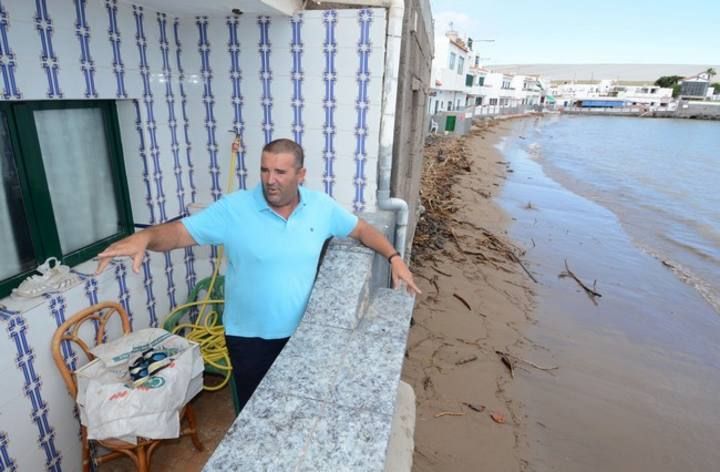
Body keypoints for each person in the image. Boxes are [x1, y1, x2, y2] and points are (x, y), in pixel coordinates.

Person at [96, 138, 420, 412]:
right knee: (255, 411)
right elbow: (180, 234)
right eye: (265, 170)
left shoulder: (321, 207)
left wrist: (394, 257)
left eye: (280, 171)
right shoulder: (234, 209)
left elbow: (362, 229)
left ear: (301, 174)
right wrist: (146, 238)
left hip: (301, 334)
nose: (270, 179)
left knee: (296, 407)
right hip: (249, 338)